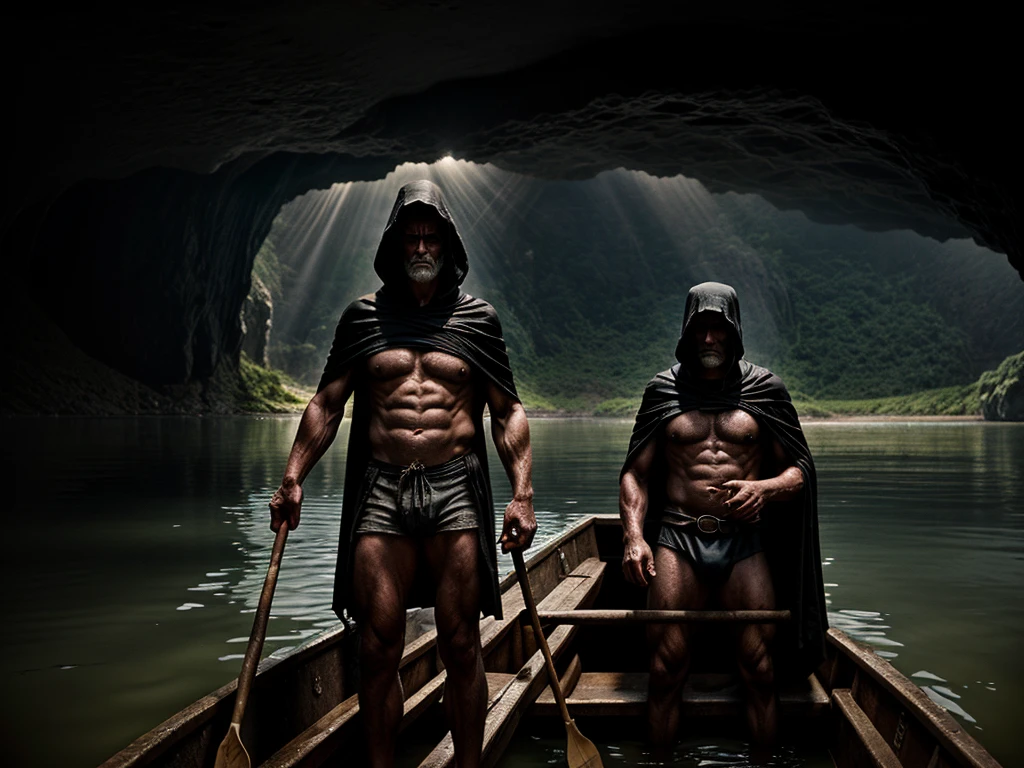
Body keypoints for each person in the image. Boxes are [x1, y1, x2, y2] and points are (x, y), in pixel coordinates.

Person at [269, 179, 536, 768]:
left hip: (455, 490)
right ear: (394, 244)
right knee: (377, 645)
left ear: (447, 245)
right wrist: (292, 476)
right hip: (382, 491)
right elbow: (326, 403)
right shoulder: (363, 319)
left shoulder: (478, 320)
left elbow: (508, 409)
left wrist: (522, 494)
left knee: (462, 644)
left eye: (430, 236)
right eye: (411, 236)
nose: (421, 246)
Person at [618, 281, 827, 752]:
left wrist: (764, 489)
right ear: (687, 334)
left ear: (735, 333)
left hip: (744, 542)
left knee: (760, 670)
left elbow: (800, 471)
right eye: (701, 329)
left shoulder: (765, 389)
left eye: (719, 329)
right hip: (678, 537)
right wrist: (634, 536)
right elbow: (635, 473)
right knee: (665, 669)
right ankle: (658, 765)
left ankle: (765, 765)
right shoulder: (663, 391)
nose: (710, 339)